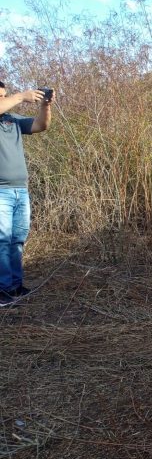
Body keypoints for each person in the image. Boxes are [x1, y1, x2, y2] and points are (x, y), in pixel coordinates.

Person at [0, 81, 54, 304]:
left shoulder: (11, 119)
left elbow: (40, 126)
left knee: (17, 240)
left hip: (20, 190)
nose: (3, 98)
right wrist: (22, 96)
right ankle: (2, 290)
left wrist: (45, 106)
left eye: (4, 94)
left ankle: (14, 286)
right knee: (2, 241)